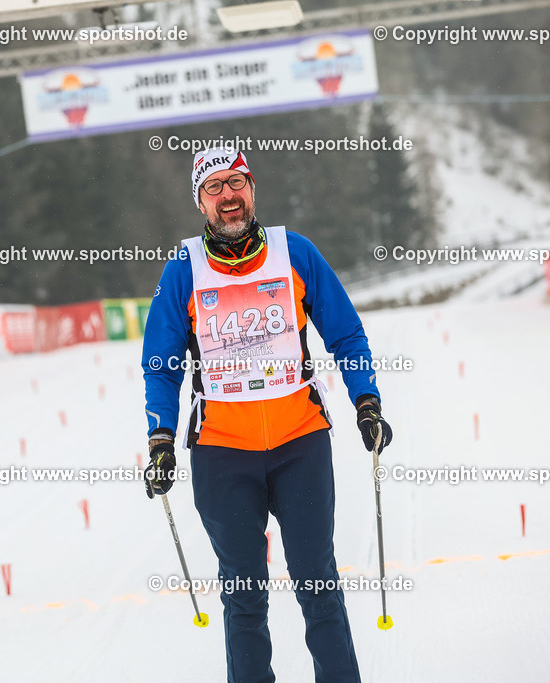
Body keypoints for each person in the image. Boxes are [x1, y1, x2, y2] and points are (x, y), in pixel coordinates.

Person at [140, 147, 393, 683]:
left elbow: (344, 332)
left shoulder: (294, 252)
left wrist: (365, 401)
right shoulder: (183, 270)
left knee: (317, 582)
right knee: (244, 594)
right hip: (221, 453)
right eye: (214, 188)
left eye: (237, 183)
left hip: (299, 442)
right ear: (200, 202)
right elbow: (159, 365)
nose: (228, 196)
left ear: (252, 189)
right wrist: (160, 437)